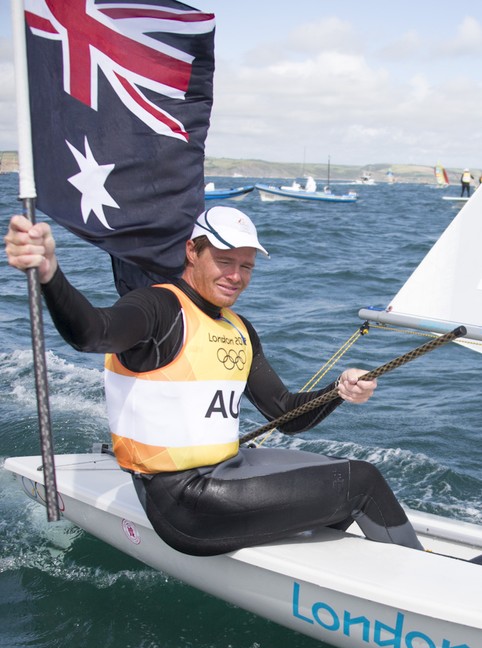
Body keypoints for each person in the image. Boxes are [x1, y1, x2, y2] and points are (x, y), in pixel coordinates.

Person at [5, 206, 423, 556]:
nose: (236, 276)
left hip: (226, 472)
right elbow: (92, 332)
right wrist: (50, 274)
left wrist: (337, 390)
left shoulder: (240, 328)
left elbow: (285, 413)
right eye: (225, 261)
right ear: (192, 251)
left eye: (246, 266)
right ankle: (420, 583)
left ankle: (353, 561)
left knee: (338, 473)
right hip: (183, 501)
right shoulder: (157, 307)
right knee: (362, 480)